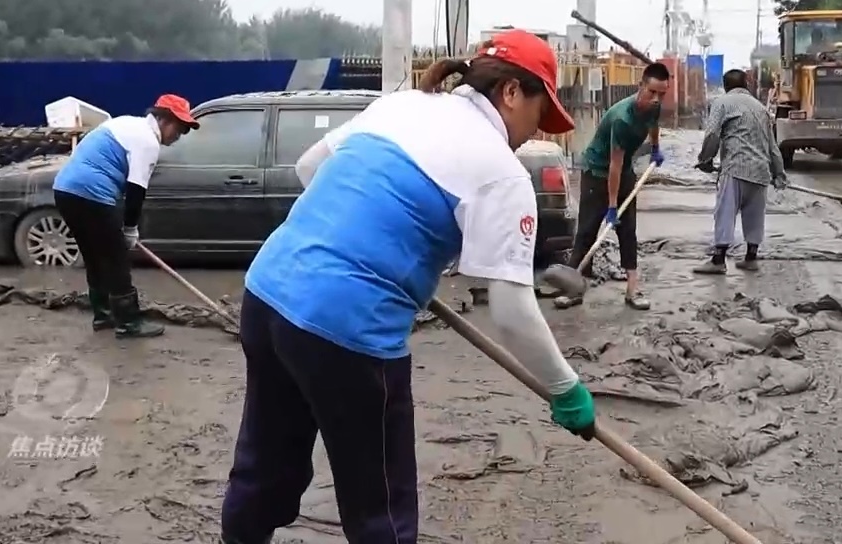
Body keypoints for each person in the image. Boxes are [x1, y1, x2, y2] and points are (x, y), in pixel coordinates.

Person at [220, 29, 597, 544]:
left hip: (267, 294)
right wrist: (565, 388)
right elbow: (511, 310)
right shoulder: (501, 171)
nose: (534, 132)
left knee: (265, 470)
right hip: (348, 329)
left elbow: (309, 168)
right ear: (511, 92)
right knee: (381, 510)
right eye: (539, 112)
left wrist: (380, 239)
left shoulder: (401, 106)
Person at [52, 94, 199, 337]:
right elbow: (136, 190)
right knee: (116, 259)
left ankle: (103, 315)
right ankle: (128, 322)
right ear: (163, 120)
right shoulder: (148, 141)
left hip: (65, 191)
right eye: (179, 128)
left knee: (94, 256)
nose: (179, 136)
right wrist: (130, 229)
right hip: (92, 194)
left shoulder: (125, 123)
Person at [554, 62, 670, 312]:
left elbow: (654, 126)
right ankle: (573, 288)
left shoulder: (654, 107)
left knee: (628, 232)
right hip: (597, 171)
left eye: (662, 94)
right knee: (587, 231)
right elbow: (613, 166)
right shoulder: (621, 119)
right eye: (652, 92)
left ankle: (632, 290)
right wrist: (612, 206)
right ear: (641, 86)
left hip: (623, 170)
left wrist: (655, 148)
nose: (656, 99)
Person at [693, 69, 787, 274]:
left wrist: (705, 160)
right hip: (761, 171)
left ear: (726, 86)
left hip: (735, 168)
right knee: (755, 216)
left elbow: (712, 135)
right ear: (746, 85)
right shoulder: (761, 108)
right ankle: (751, 258)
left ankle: (718, 260)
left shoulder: (722, 103)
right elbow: (772, 146)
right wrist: (778, 173)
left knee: (725, 213)